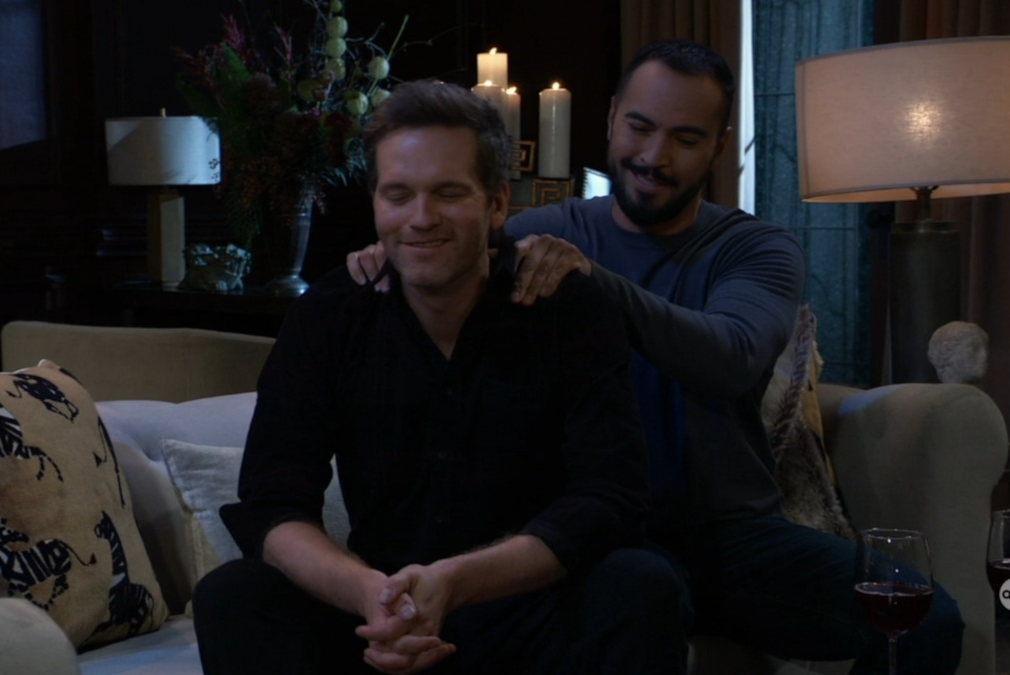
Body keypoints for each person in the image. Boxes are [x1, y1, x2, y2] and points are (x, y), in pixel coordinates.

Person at [349, 40, 964, 672]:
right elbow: (440, 245)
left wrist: (594, 280)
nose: (653, 156)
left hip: (729, 535)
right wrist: (386, 258)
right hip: (594, 537)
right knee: (636, 593)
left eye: (685, 138)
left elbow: (730, 357)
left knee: (926, 620)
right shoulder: (543, 230)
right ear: (612, 118)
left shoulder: (756, 248)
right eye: (639, 127)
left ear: (719, 147)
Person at [193, 80, 687, 674]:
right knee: (234, 594)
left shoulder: (568, 309)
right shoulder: (329, 315)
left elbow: (609, 498)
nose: (421, 218)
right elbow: (273, 504)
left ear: (497, 204)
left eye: (448, 193)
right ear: (376, 204)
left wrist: (454, 581)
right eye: (398, 195)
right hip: (377, 613)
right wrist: (372, 596)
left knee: (641, 583)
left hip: (523, 610)